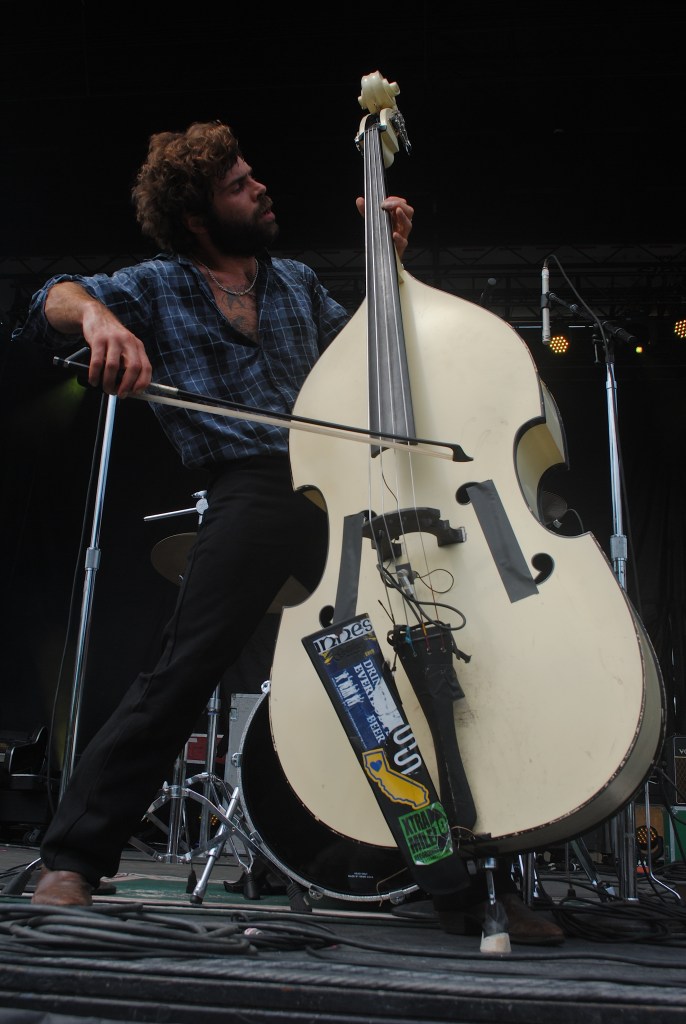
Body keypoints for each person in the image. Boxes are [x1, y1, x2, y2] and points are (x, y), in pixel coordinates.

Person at [13, 120, 563, 945]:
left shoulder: (300, 283)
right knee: (182, 666)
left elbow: (377, 364)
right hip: (255, 487)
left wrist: (393, 271)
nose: (260, 187)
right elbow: (46, 299)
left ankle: (459, 890)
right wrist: (97, 319)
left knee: (389, 684)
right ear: (198, 214)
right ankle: (73, 858)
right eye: (238, 183)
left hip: (346, 488)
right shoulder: (160, 282)